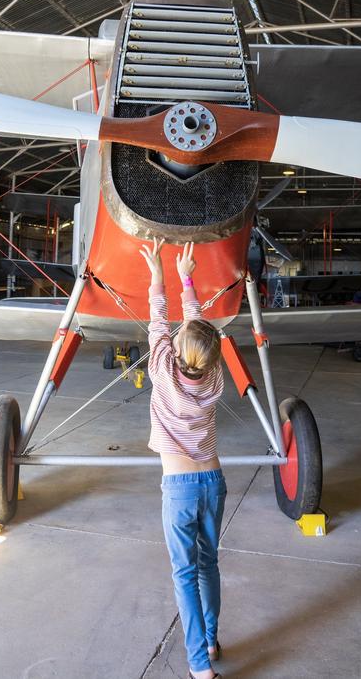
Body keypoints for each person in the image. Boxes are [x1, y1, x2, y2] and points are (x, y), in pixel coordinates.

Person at [139, 238, 226, 679]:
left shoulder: (160, 366)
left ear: (176, 349)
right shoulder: (214, 378)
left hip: (179, 489)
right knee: (209, 563)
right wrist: (188, 276)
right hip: (214, 482)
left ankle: (198, 667)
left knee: (184, 574)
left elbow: (161, 317)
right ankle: (210, 642)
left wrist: (161, 272)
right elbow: (196, 328)